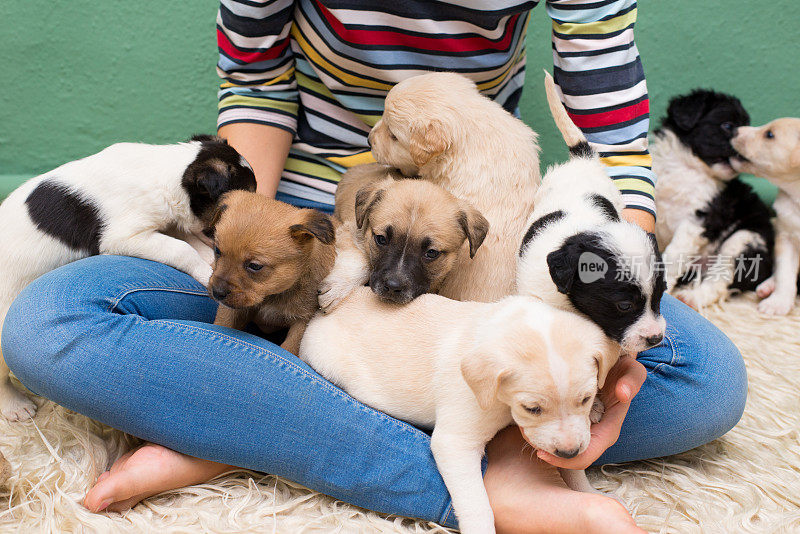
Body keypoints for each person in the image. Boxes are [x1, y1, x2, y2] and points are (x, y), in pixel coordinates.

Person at [2, 1, 747, 532]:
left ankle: (239, 427)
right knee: (46, 324)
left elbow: (608, 125)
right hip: (302, 230)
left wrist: (608, 310)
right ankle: (488, 479)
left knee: (708, 382)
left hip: (482, 246)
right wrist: (258, 237)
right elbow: (258, 88)